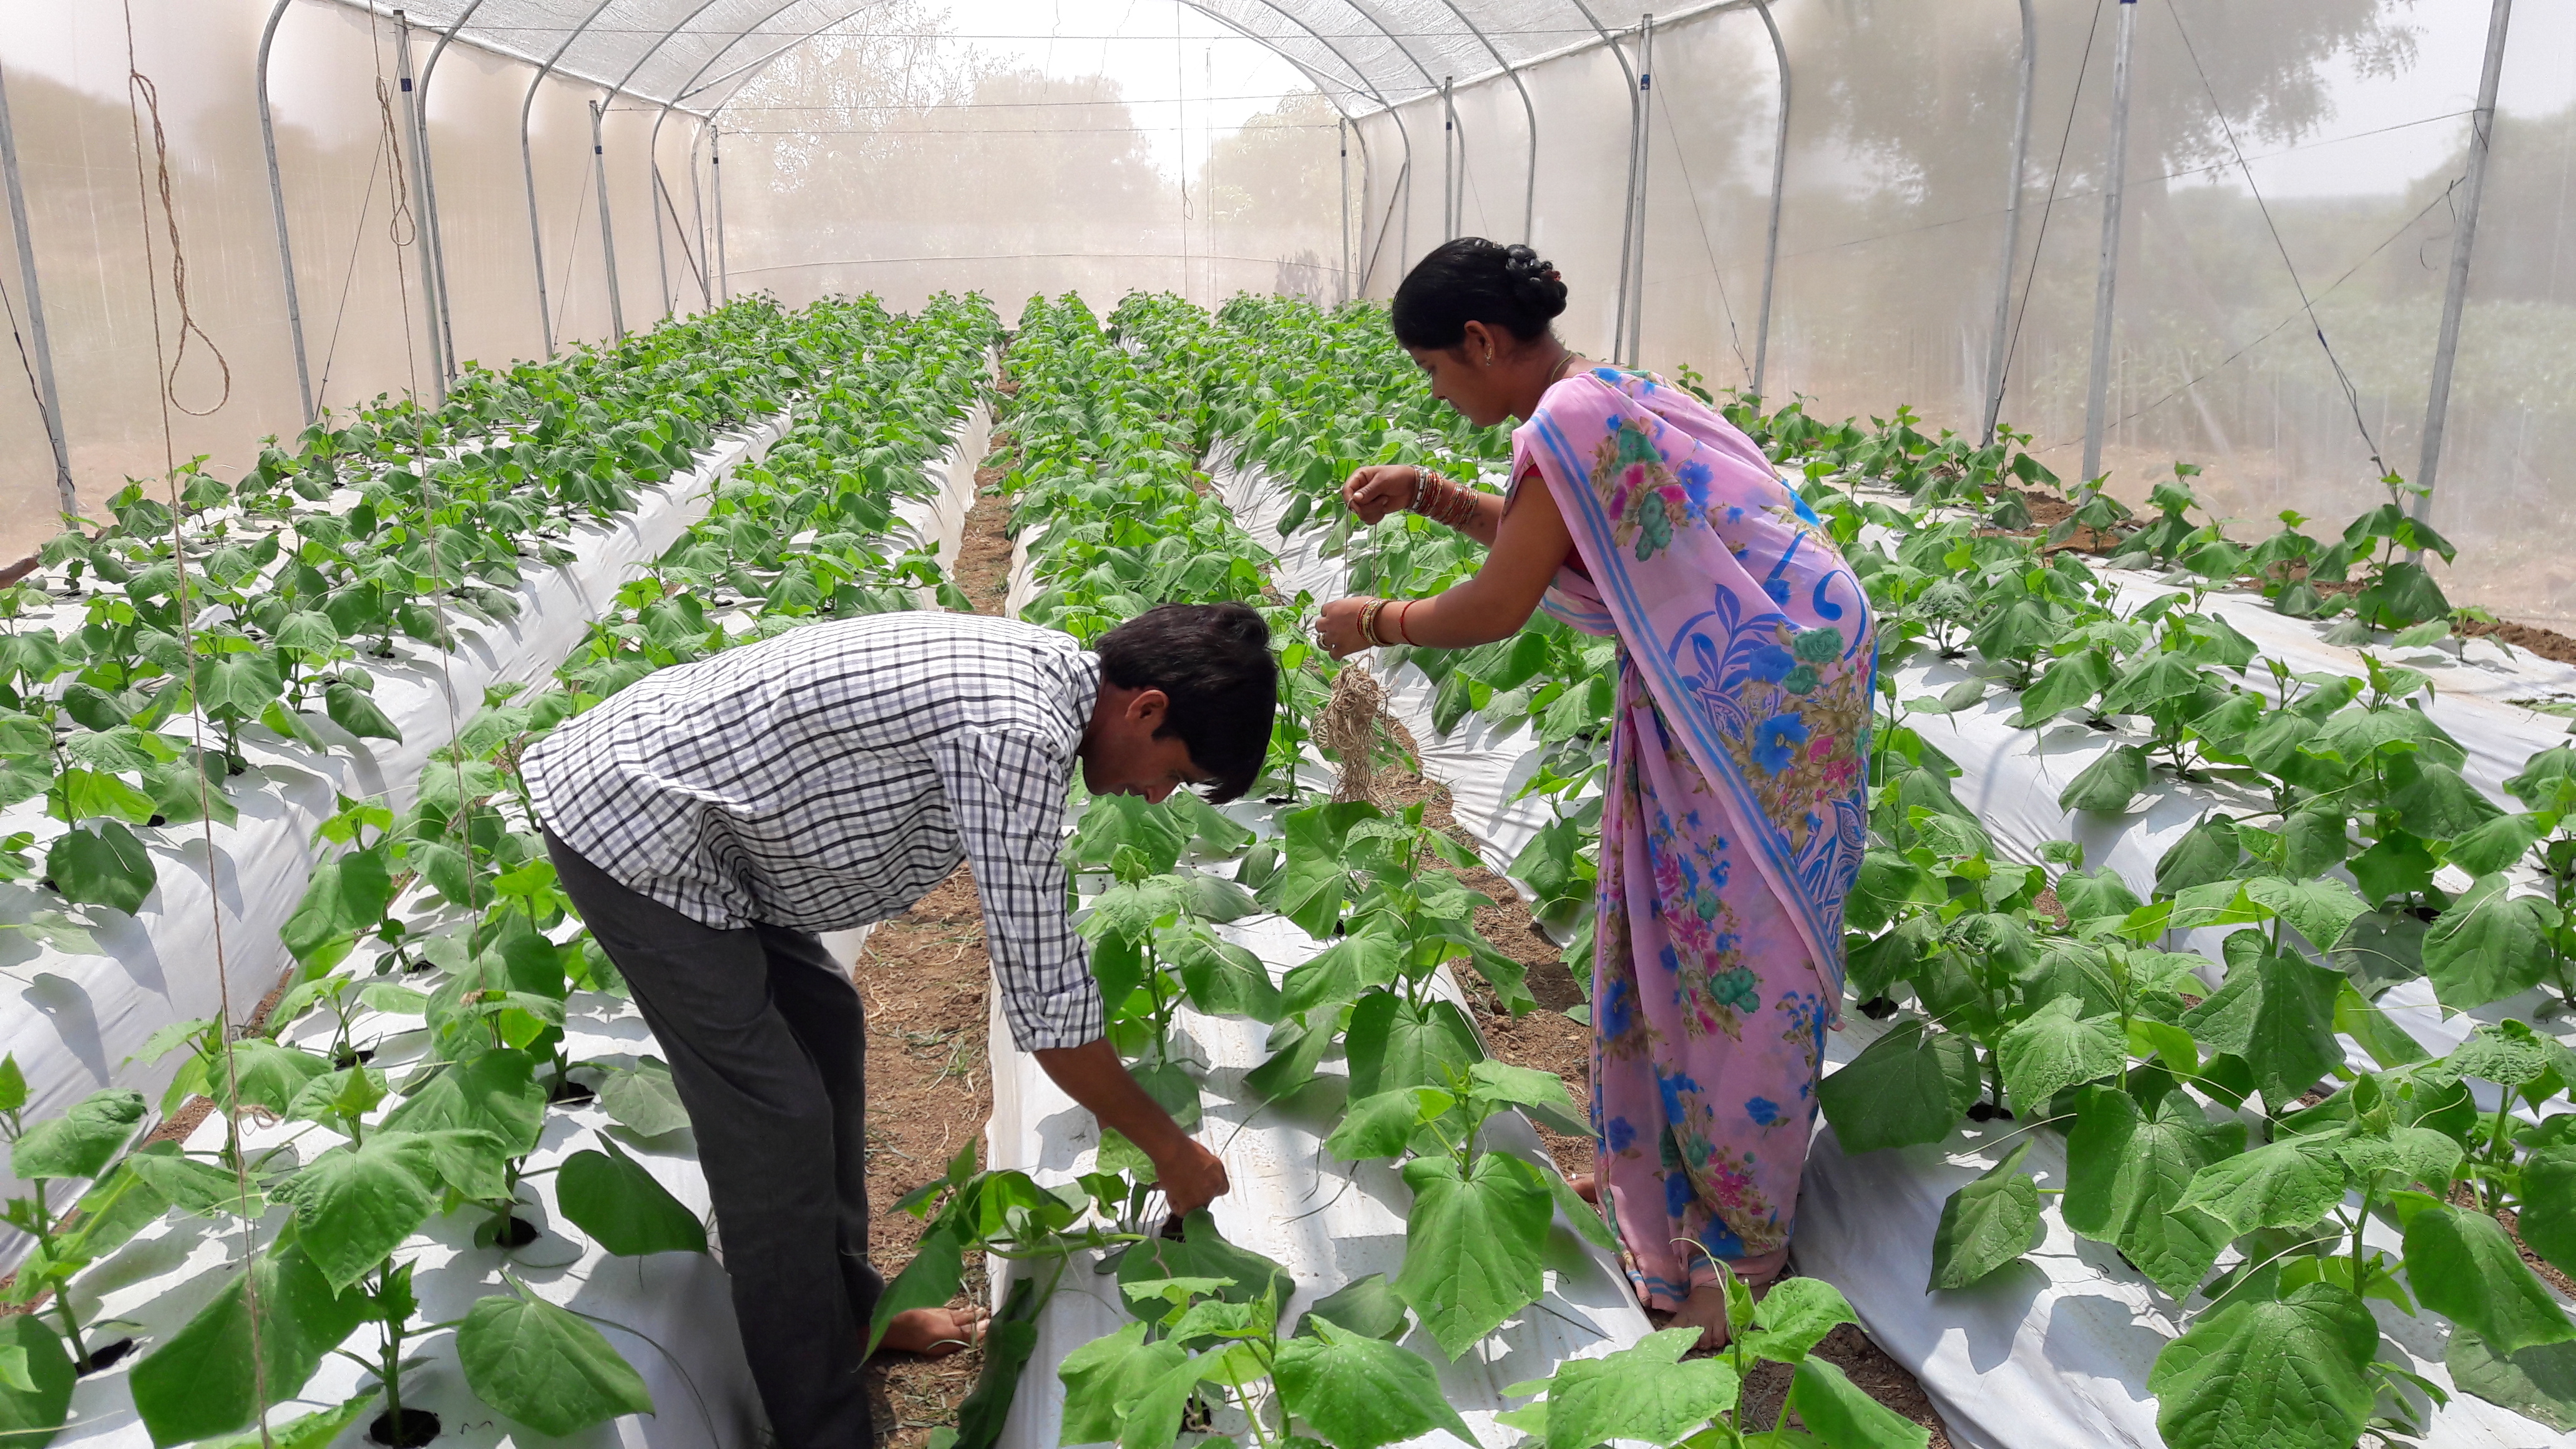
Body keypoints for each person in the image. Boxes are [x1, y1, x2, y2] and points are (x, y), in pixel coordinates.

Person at [524, 604, 1273, 1448]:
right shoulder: (1015, 729)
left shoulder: (1049, 683)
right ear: (1146, 708)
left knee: (827, 1020)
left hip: (723, 833)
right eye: (1176, 771)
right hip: (638, 826)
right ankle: (821, 1426)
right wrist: (1169, 1148)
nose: (1159, 794)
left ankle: (854, 1317)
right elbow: (1047, 998)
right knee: (773, 1120)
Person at [1317, 238, 1873, 1347]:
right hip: (1765, 675)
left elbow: (1501, 602)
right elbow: (1576, 547)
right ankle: (1662, 1184)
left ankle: (1742, 1251)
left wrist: (1373, 621)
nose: (1437, 391)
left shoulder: (1569, 420)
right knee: (1684, 934)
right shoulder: (1602, 393)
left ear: (1481, 341)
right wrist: (1432, 495)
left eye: (1434, 369)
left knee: (1739, 960)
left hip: (1759, 703)